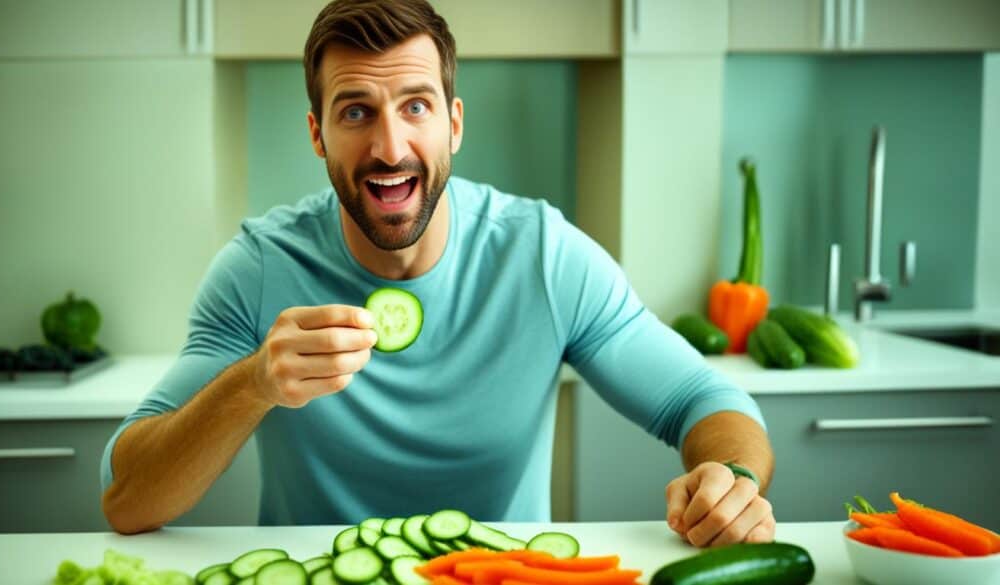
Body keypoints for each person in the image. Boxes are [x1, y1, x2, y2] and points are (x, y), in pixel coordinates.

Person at [101, 0, 776, 548]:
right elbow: (125, 497)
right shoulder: (257, 270)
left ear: (453, 123)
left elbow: (704, 398)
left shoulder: (543, 255)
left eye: (416, 106)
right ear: (317, 134)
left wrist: (732, 478)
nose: (389, 147)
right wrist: (253, 383)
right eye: (356, 110)